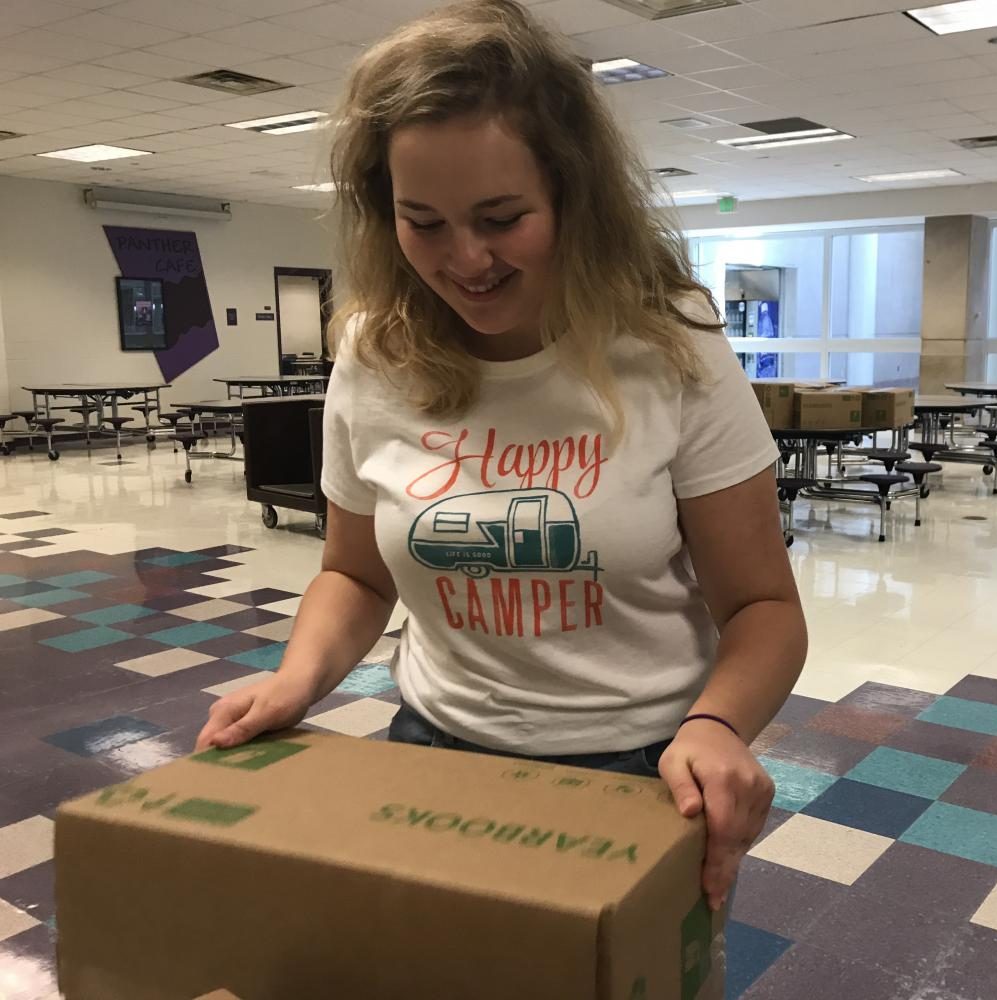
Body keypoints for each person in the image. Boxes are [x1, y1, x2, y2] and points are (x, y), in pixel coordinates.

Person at [194, 0, 807, 913]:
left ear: (573, 196)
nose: (465, 258)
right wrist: (296, 678)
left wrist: (718, 725)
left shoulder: (669, 341)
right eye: (423, 222)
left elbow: (761, 605)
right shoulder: (375, 347)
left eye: (501, 217)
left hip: (640, 770)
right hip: (431, 750)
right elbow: (356, 577)